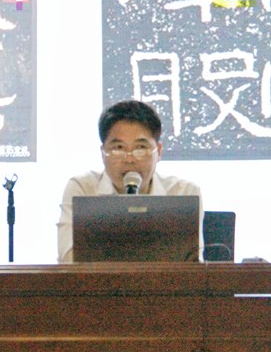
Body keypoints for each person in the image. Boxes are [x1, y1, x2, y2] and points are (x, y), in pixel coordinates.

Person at [56, 100, 202, 263]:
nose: (129, 159)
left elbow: (192, 268)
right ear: (103, 153)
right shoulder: (83, 189)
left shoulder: (183, 193)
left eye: (140, 148)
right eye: (118, 148)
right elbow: (68, 260)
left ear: (159, 151)